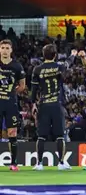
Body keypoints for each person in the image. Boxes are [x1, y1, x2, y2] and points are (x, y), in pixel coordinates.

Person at [31, 45, 76, 171]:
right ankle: (61, 163)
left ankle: (39, 163)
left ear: (43, 55)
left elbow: (33, 90)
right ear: (55, 55)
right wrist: (73, 54)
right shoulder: (59, 66)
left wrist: (33, 104)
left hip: (43, 104)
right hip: (57, 104)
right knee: (60, 135)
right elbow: (68, 63)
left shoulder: (37, 69)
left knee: (41, 136)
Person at [0, 40, 25, 171]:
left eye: (7, 48)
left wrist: (11, 93)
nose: (4, 50)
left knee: (12, 132)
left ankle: (13, 163)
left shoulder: (17, 66)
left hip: (11, 103)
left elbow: (22, 85)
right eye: (2, 47)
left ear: (11, 50)